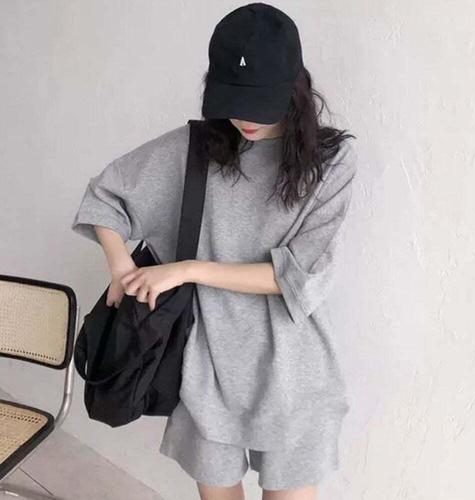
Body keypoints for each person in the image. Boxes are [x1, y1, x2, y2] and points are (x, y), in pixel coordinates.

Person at [71, 3, 358, 499]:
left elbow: (296, 276)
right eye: (233, 100)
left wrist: (185, 269)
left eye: (259, 102)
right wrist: (120, 267)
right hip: (203, 365)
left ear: (293, 88)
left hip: (293, 370)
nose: (244, 117)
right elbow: (105, 197)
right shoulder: (196, 148)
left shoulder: (331, 161)